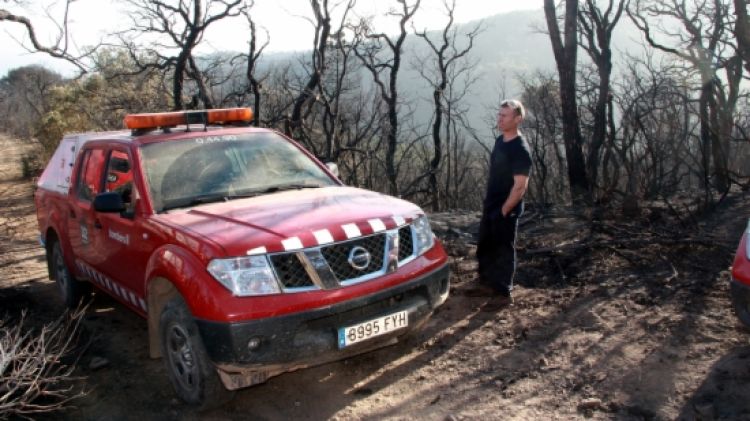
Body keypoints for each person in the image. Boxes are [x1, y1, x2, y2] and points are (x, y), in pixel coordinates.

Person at [471, 99, 532, 308]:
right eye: (499, 114)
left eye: (505, 116)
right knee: (485, 244)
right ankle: (485, 282)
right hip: (491, 203)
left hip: (506, 207)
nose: (500, 119)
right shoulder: (500, 141)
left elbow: (520, 186)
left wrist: (505, 210)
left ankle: (502, 292)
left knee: (504, 248)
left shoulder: (520, 149)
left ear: (518, 119)